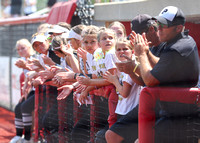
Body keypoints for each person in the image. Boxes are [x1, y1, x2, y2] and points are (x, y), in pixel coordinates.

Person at [130, 6, 199, 143]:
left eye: (164, 25)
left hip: (180, 118)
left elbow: (149, 80)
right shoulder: (180, 41)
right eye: (158, 24)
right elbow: (162, 64)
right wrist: (148, 52)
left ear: (178, 28)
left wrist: (142, 54)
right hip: (174, 114)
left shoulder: (177, 48)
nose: (158, 28)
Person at [104, 14, 164, 143]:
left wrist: (138, 60)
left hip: (163, 106)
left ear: (152, 30)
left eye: (139, 35)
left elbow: (156, 77)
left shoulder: (164, 46)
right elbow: (144, 81)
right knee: (111, 135)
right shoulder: (149, 47)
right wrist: (131, 71)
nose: (138, 40)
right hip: (145, 104)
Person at [10, 39, 36, 143]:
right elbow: (28, 78)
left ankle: (28, 137)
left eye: (23, 48)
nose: (20, 51)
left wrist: (25, 66)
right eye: (18, 49)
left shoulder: (35, 58)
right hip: (32, 89)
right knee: (18, 108)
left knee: (25, 107)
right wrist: (26, 91)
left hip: (40, 89)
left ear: (30, 47)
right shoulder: (23, 59)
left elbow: (36, 73)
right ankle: (19, 135)